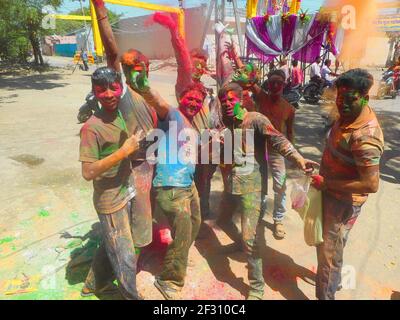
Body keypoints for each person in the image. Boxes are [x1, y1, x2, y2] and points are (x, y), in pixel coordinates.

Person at [79, 0, 157, 299]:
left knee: (119, 237)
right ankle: (129, 289)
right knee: (125, 247)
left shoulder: (142, 96)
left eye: (141, 69)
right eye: (129, 70)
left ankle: (92, 282)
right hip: (122, 182)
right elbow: (112, 53)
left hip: (131, 180)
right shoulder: (109, 110)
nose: (110, 93)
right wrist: (100, 11)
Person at [217, 82, 318, 299]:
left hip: (251, 186)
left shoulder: (255, 119)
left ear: (242, 98)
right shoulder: (225, 122)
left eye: (231, 99)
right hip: (231, 184)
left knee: (250, 238)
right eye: (223, 100)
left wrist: (299, 159)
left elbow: (279, 140)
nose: (226, 104)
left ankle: (256, 287)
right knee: (223, 221)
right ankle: (238, 243)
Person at [130, 64, 208, 300]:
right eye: (190, 99)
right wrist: (144, 87)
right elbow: (159, 103)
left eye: (198, 101)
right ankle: (169, 280)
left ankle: (177, 257)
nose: (194, 103)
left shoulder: (191, 124)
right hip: (172, 188)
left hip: (187, 184)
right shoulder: (173, 114)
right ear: (181, 98)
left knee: (195, 223)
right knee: (183, 231)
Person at [310, 69, 384, 300]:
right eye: (340, 98)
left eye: (350, 99)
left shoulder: (365, 138)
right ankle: (334, 281)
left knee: (328, 255)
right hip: (331, 193)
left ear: (365, 98)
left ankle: (326, 294)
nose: (342, 104)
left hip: (342, 203)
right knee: (333, 249)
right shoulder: (347, 115)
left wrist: (328, 182)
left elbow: (371, 184)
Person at [79, 67, 145, 300]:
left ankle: (92, 284)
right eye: (101, 90)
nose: (108, 94)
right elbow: (87, 172)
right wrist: (123, 152)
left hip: (125, 190)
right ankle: (131, 296)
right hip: (110, 201)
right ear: (94, 92)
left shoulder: (119, 113)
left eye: (113, 88)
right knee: (125, 256)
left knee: (113, 245)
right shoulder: (92, 128)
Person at [255, 70, 295, 238]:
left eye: (279, 82)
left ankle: (278, 220)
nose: (276, 85)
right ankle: (258, 215)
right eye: (272, 82)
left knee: (280, 186)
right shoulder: (261, 97)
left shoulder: (289, 109)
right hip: (258, 150)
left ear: (284, 85)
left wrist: (292, 155)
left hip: (277, 152)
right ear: (268, 85)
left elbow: (290, 133)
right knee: (260, 185)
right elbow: (248, 79)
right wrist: (235, 56)